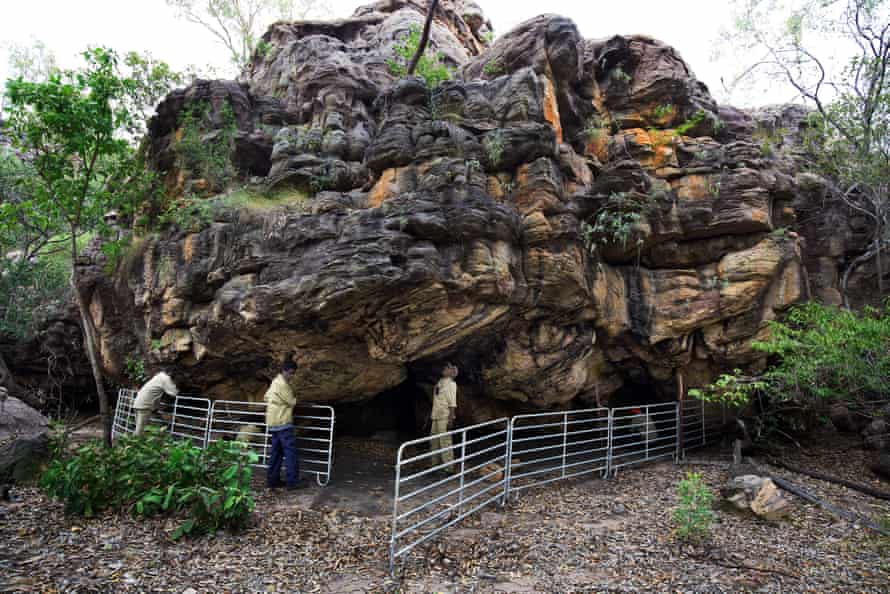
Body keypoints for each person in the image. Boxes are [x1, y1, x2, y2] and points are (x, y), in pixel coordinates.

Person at [265, 360, 300, 489]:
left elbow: (266, 397)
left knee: (276, 453)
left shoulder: (274, 382)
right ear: (285, 371)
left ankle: (272, 481)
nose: (292, 376)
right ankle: (292, 483)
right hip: (283, 423)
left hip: (273, 424)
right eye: (291, 373)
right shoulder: (283, 385)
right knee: (291, 454)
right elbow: (292, 402)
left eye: (293, 374)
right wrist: (296, 399)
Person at [429, 363, 459, 473]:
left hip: (444, 417)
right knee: (434, 441)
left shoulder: (451, 384)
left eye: (447, 368)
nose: (444, 369)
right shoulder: (440, 382)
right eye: (445, 367)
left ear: (452, 372)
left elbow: (452, 404)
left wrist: (450, 420)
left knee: (445, 442)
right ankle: (434, 465)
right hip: (435, 416)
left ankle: (449, 468)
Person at [133, 371, 178, 436]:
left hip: (138, 403)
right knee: (139, 431)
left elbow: (155, 395)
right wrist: (175, 386)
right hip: (144, 406)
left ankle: (141, 440)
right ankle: (133, 444)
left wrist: (156, 409)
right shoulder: (165, 378)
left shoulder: (158, 376)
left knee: (142, 428)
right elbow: (174, 392)